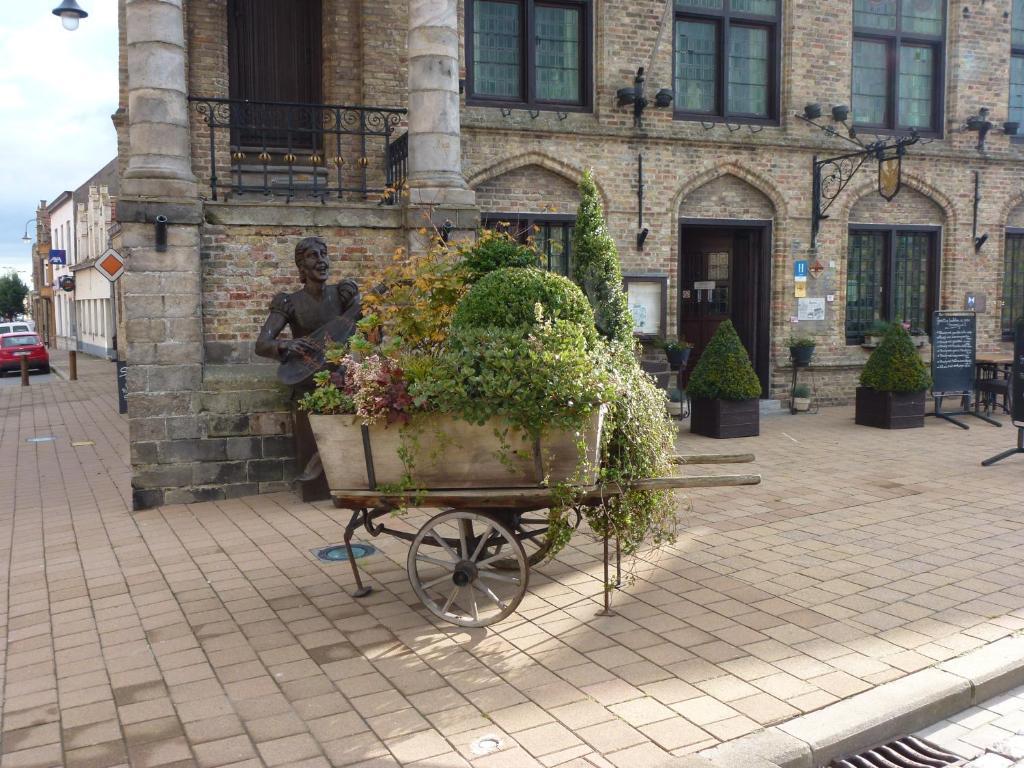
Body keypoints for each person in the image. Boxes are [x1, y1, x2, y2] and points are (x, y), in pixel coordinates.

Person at [255, 236, 360, 383]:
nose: (321, 260)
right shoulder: (289, 302)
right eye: (312, 256)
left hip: (342, 377)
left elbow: (371, 334)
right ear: (301, 266)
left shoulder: (342, 294)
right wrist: (286, 344)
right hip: (307, 376)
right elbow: (261, 345)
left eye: (323, 254)